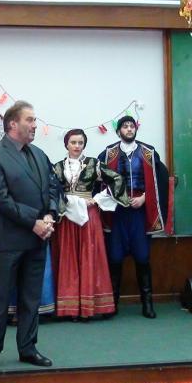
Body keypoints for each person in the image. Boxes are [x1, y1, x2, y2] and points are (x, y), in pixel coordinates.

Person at [0, 100, 59, 372]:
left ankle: (28, 348)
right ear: (13, 123)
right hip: (8, 241)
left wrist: (50, 215)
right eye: (30, 120)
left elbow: (53, 188)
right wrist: (34, 221)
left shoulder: (39, 154)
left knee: (30, 299)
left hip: (37, 239)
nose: (35, 125)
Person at [98, 116, 171, 318]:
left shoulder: (149, 152)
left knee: (142, 257)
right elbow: (100, 181)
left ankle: (147, 304)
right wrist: (114, 198)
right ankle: (112, 304)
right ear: (118, 131)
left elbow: (160, 181)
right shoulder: (108, 153)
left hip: (140, 212)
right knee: (114, 257)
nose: (129, 129)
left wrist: (145, 198)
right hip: (117, 213)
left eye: (132, 126)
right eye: (125, 126)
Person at [52, 129, 127, 321]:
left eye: (80, 143)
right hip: (67, 216)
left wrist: (98, 199)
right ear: (66, 144)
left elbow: (117, 179)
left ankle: (89, 306)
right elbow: (50, 190)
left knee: (89, 257)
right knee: (69, 257)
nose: (77, 146)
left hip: (88, 215)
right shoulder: (57, 167)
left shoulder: (94, 164)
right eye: (73, 142)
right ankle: (70, 309)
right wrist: (63, 203)